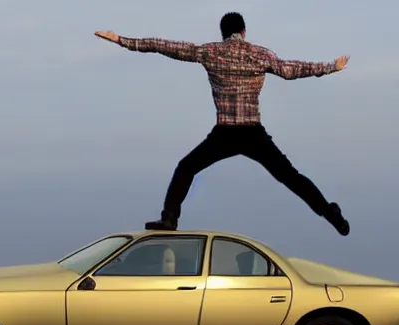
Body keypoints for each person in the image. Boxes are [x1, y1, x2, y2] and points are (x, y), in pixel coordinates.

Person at [95, 12, 351, 235]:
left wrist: (122, 40)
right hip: (253, 133)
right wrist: (330, 67)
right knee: (291, 177)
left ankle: (169, 218)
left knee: (186, 167)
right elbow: (290, 69)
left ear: (223, 33)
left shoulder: (210, 52)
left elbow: (166, 46)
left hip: (224, 133)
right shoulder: (260, 54)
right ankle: (330, 213)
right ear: (243, 31)